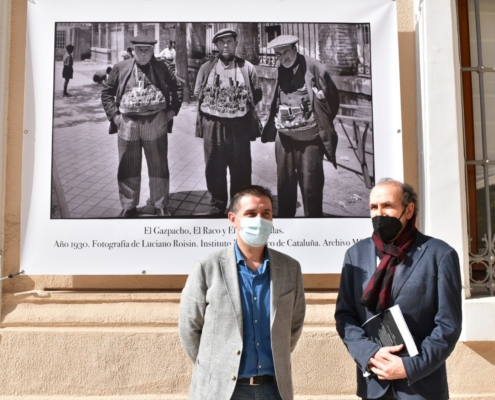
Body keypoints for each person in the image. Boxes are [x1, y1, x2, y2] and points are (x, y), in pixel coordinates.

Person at [334, 178, 462, 400]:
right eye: (374, 207)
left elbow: (448, 325)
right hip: (374, 385)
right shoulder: (356, 255)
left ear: (409, 210)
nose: (379, 214)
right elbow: (345, 316)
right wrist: (370, 354)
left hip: (421, 388)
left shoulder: (439, 255)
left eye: (387, 206)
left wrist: (410, 366)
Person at [179, 185, 306, 400]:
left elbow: (293, 326)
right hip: (223, 391)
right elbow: (189, 327)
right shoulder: (207, 267)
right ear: (233, 219)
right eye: (250, 214)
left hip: (273, 390)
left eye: (266, 213)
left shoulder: (290, 268)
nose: (260, 220)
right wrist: (215, 367)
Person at [101, 34, 182, 217]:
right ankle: (129, 205)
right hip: (128, 123)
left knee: (158, 164)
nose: (143, 54)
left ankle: (160, 204)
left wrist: (171, 112)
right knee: (127, 165)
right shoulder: (120, 68)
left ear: (153, 50)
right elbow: (106, 93)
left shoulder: (162, 68)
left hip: (155, 122)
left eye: (147, 50)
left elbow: (177, 87)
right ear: (133, 50)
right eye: (139, 50)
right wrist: (115, 117)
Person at [261, 35, 340, 217]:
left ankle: (313, 221)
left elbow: (333, 100)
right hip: (284, 135)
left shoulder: (314, 67)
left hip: (309, 137)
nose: (282, 58)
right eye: (278, 54)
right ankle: (286, 221)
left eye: (286, 52)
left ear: (295, 49)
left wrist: (319, 119)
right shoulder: (279, 68)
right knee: (284, 182)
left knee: (311, 183)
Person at [194, 28, 263, 216]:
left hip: (239, 125)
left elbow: (256, 93)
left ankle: (238, 205)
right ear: (216, 45)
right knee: (214, 166)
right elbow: (197, 93)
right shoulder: (206, 68)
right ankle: (217, 204)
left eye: (230, 41)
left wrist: (237, 105)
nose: (226, 45)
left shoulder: (246, 67)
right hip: (212, 124)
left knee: (241, 167)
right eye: (221, 42)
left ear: (236, 44)